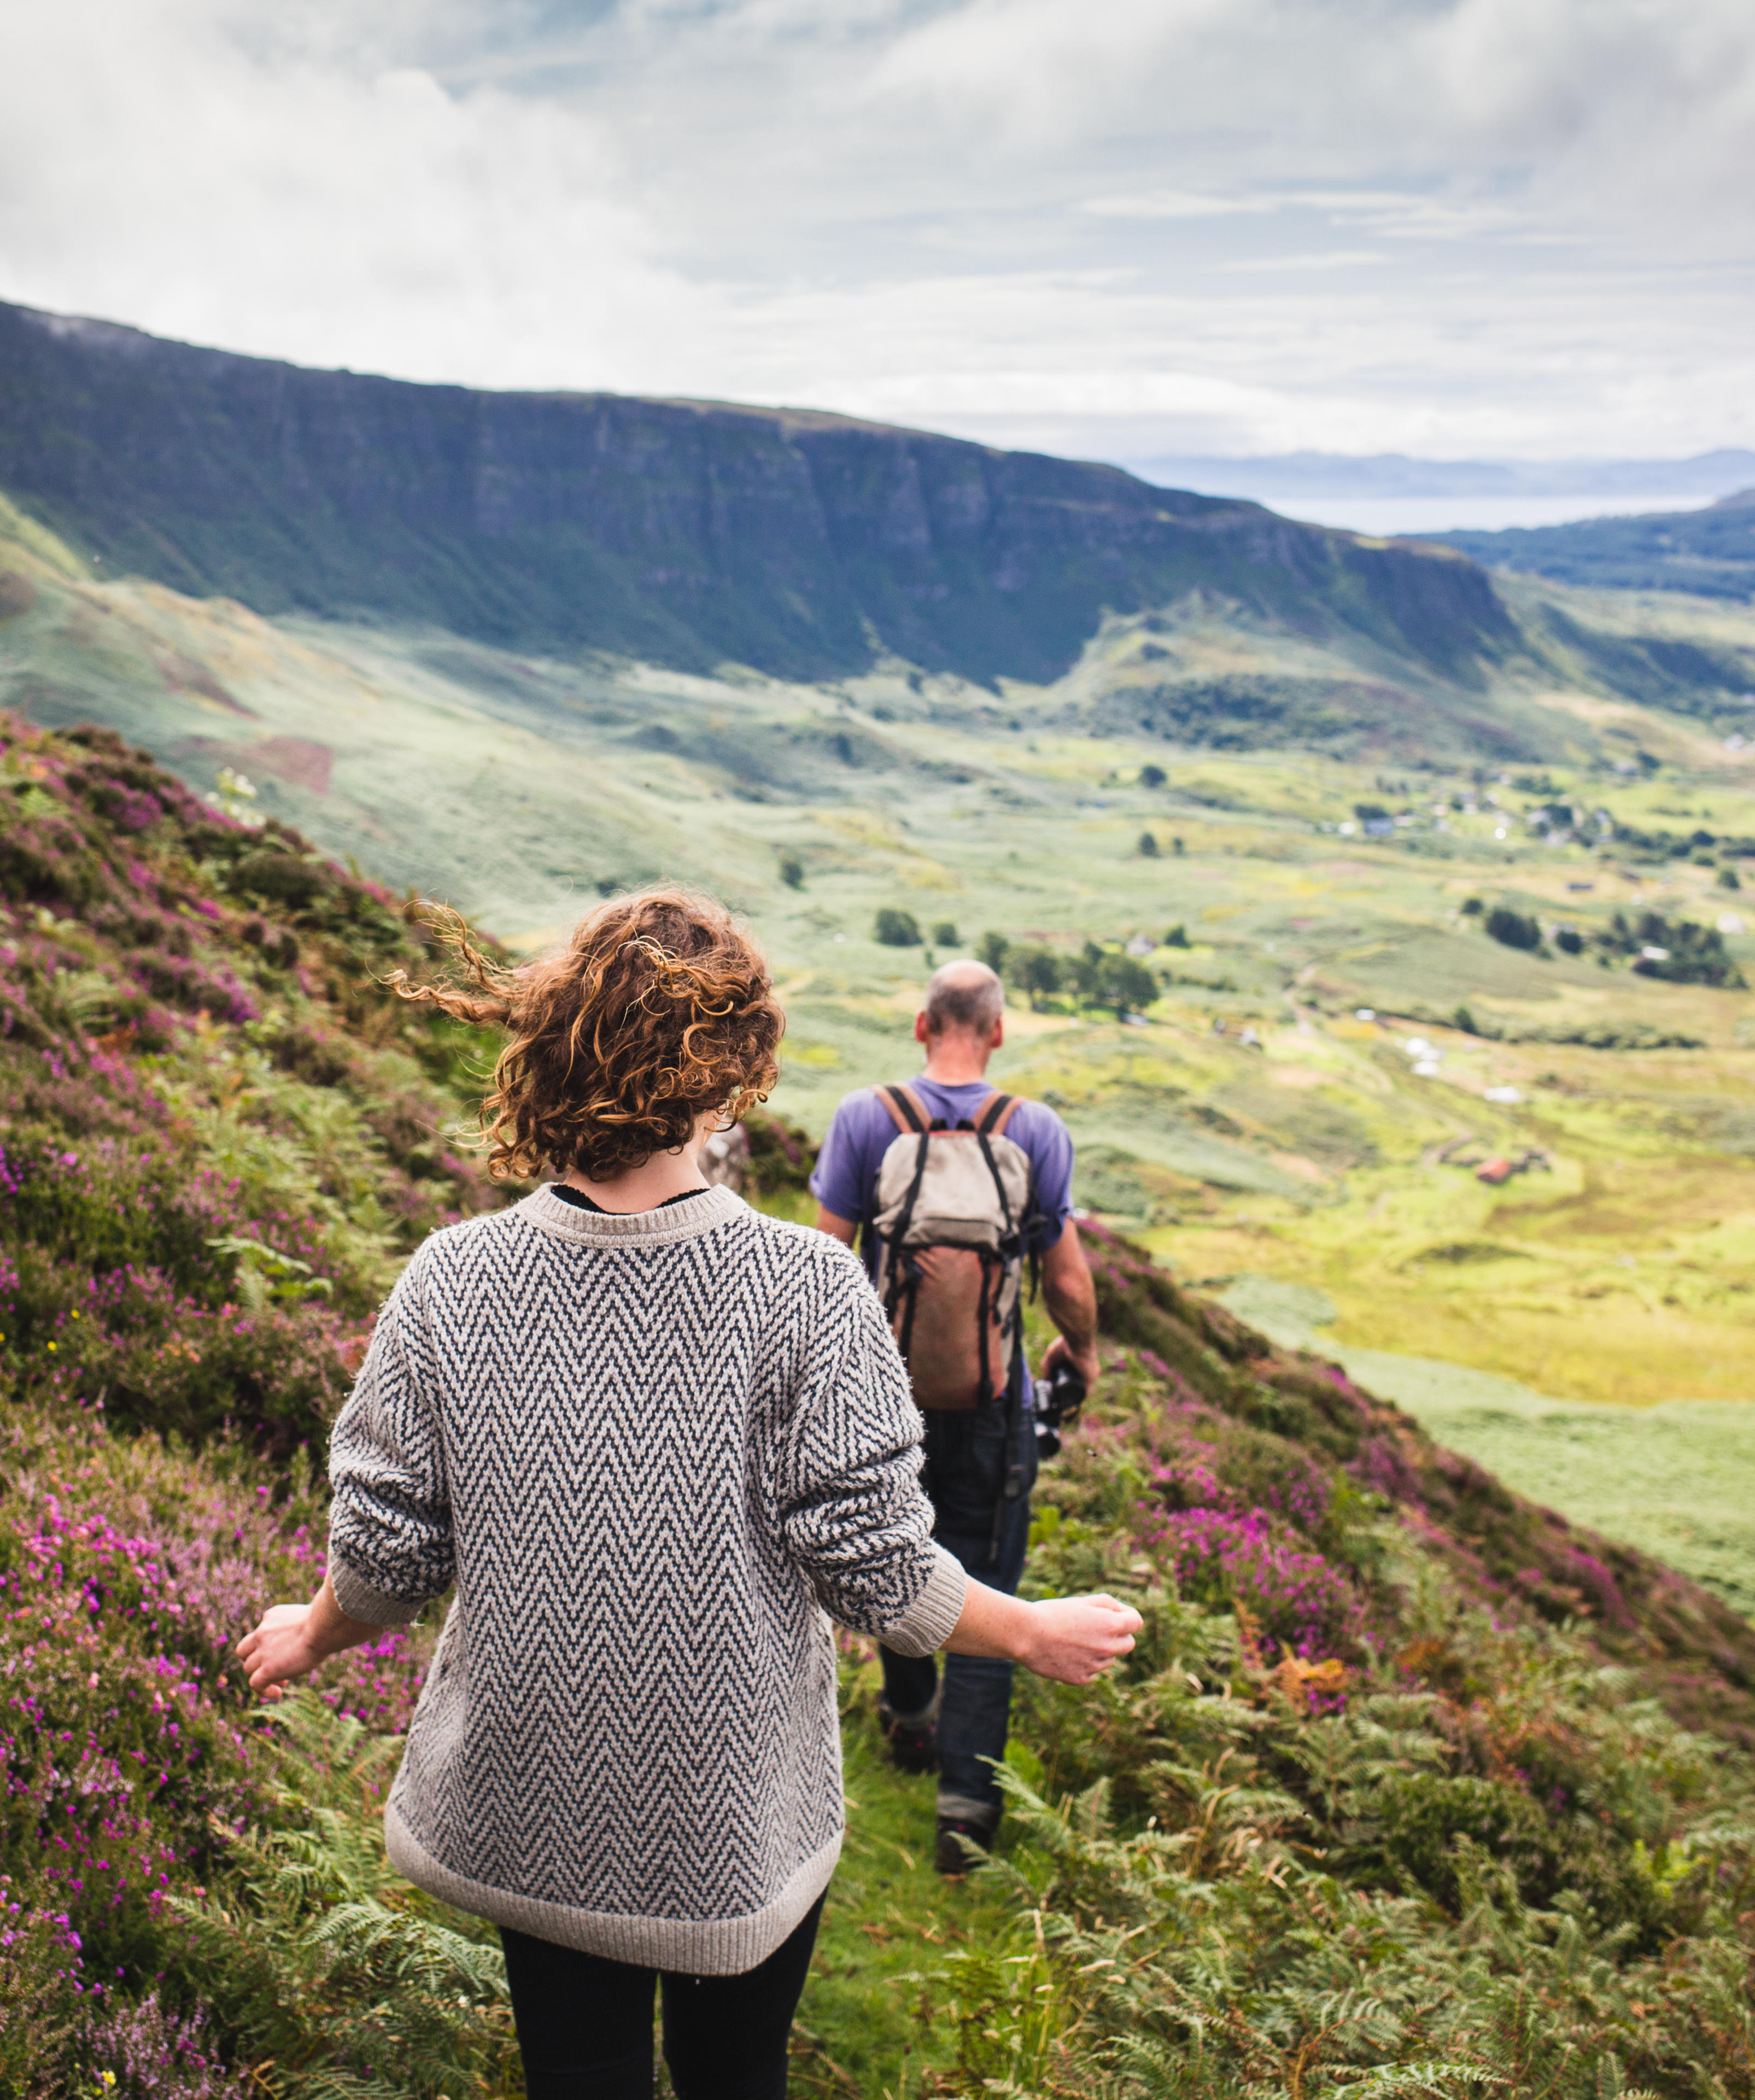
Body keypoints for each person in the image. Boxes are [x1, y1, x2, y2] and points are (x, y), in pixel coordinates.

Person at [239, 890, 1140, 2100]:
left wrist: (310, 1631)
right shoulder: (805, 1289)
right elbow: (871, 1567)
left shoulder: (453, 1279)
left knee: (581, 2075)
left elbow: (388, 1556)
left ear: (549, 1051)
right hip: (732, 1817)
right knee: (735, 2077)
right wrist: (1027, 1628)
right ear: (732, 1073)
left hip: (531, 1797)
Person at [809, 957, 1100, 1874]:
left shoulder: (867, 1118)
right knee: (993, 1583)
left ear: (923, 1026)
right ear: (998, 1032)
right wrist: (1080, 1352)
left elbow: (826, 1265)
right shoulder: (1034, 1131)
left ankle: (906, 1716)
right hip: (994, 1402)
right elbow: (1065, 1279)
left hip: (881, 1403)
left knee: (896, 1552)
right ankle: (966, 1823)